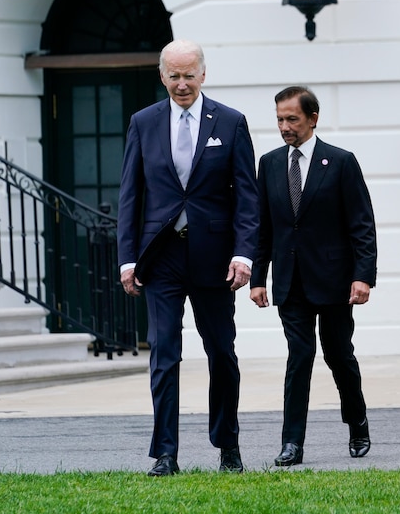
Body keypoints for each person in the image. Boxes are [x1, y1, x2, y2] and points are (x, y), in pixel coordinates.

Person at [117, 40, 259, 476]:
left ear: (203, 73)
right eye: (173, 76)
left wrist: (244, 255)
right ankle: (165, 453)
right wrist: (127, 259)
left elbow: (247, 199)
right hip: (159, 259)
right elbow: (130, 195)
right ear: (163, 76)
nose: (182, 84)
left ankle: (228, 445)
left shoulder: (231, 122)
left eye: (189, 75)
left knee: (222, 352)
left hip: (215, 259)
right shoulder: (143, 122)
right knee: (163, 353)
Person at [250, 86, 377, 467]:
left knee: (339, 356)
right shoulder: (270, 163)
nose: (285, 126)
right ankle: (292, 443)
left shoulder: (340, 162)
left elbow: (362, 225)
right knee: (299, 357)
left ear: (313, 118)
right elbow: (264, 227)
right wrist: (259, 277)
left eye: (292, 119)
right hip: (290, 282)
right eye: (279, 119)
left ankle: (357, 422)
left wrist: (363, 276)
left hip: (335, 281)